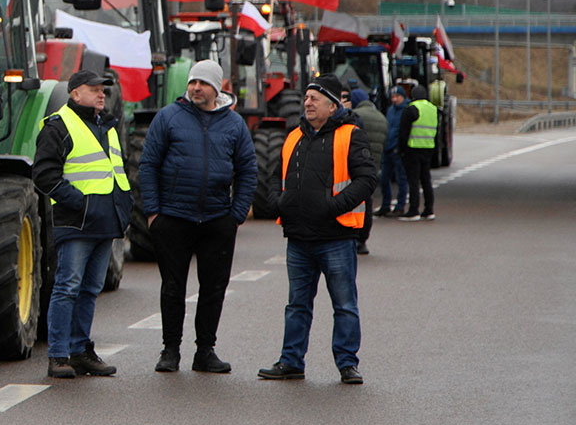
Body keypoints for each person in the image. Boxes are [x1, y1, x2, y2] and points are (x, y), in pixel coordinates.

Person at [138, 59, 257, 374]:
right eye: (192, 82)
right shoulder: (169, 117)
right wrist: (153, 212)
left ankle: (205, 351)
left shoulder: (234, 125)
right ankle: (170, 351)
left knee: (213, 288)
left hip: (218, 220)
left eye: (203, 83)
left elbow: (248, 170)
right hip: (174, 218)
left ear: (216, 88)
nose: (195, 88)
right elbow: (148, 165)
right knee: (173, 287)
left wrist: (236, 215)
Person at [259, 75, 377, 385]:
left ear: (332, 103)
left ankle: (347, 364)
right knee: (297, 305)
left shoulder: (351, 135)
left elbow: (366, 180)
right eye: (307, 98)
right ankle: (291, 361)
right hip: (298, 238)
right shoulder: (293, 136)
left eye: (315, 98)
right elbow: (275, 176)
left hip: (336, 237)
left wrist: (333, 207)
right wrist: (277, 203)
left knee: (344, 304)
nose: (307, 102)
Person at [31, 70, 131, 379]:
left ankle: (80, 351)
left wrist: (120, 209)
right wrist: (80, 203)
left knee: (89, 289)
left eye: (103, 90)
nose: (102, 94)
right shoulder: (58, 126)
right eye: (94, 89)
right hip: (77, 223)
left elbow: (115, 171)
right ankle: (59, 355)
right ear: (75, 94)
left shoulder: (108, 125)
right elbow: (44, 175)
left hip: (105, 221)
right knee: (68, 287)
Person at [347, 87, 387, 255]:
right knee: (368, 201)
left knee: (353, 201)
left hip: (356, 164)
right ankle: (363, 240)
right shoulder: (381, 117)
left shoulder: (355, 116)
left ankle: (353, 237)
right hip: (374, 164)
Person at [399, 84, 440, 220]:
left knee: (413, 181)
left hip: (413, 148)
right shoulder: (433, 109)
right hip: (428, 148)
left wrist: (402, 150)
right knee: (426, 180)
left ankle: (413, 210)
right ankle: (429, 209)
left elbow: (403, 132)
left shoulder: (411, 109)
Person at [380, 84, 410, 217]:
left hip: (398, 149)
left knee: (401, 179)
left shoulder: (407, 110)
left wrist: (400, 147)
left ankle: (400, 205)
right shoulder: (390, 110)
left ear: (403, 97)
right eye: (392, 96)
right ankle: (385, 205)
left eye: (397, 96)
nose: (394, 99)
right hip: (387, 148)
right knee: (383, 178)